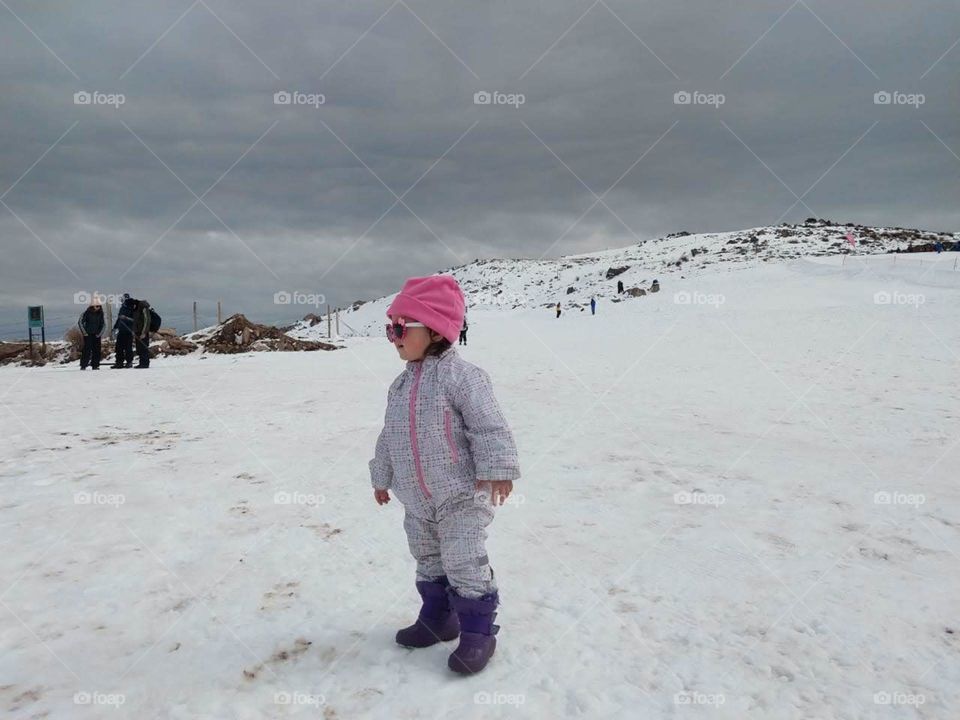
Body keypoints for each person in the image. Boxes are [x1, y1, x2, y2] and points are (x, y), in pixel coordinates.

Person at [370, 275, 520, 675]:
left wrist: (498, 469)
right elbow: (389, 435)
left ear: (435, 330)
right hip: (416, 498)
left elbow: (488, 426)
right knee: (427, 556)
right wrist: (381, 476)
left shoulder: (464, 378)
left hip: (460, 494)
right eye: (390, 327)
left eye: (401, 327)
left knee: (463, 558)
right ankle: (439, 617)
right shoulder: (399, 386)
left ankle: (477, 632)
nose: (393, 336)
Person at [77, 301, 105, 370]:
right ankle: (83, 365)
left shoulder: (101, 314)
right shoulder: (86, 313)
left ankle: (95, 365)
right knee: (87, 350)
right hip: (88, 334)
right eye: (97, 306)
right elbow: (80, 322)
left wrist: (99, 333)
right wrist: (84, 333)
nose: (98, 307)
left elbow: (103, 324)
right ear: (93, 306)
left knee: (97, 350)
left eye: (99, 306)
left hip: (97, 335)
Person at [111, 294, 136, 369]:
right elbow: (119, 319)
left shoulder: (132, 308)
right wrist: (115, 327)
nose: (122, 301)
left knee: (128, 347)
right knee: (119, 347)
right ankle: (119, 362)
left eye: (123, 299)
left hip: (129, 330)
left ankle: (129, 362)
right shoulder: (122, 308)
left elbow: (135, 320)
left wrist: (126, 318)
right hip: (121, 330)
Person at [133, 299, 153, 368]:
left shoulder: (144, 308)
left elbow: (147, 320)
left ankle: (145, 363)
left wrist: (144, 332)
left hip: (143, 332)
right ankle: (142, 363)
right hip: (138, 331)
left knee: (144, 347)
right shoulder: (137, 309)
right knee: (140, 348)